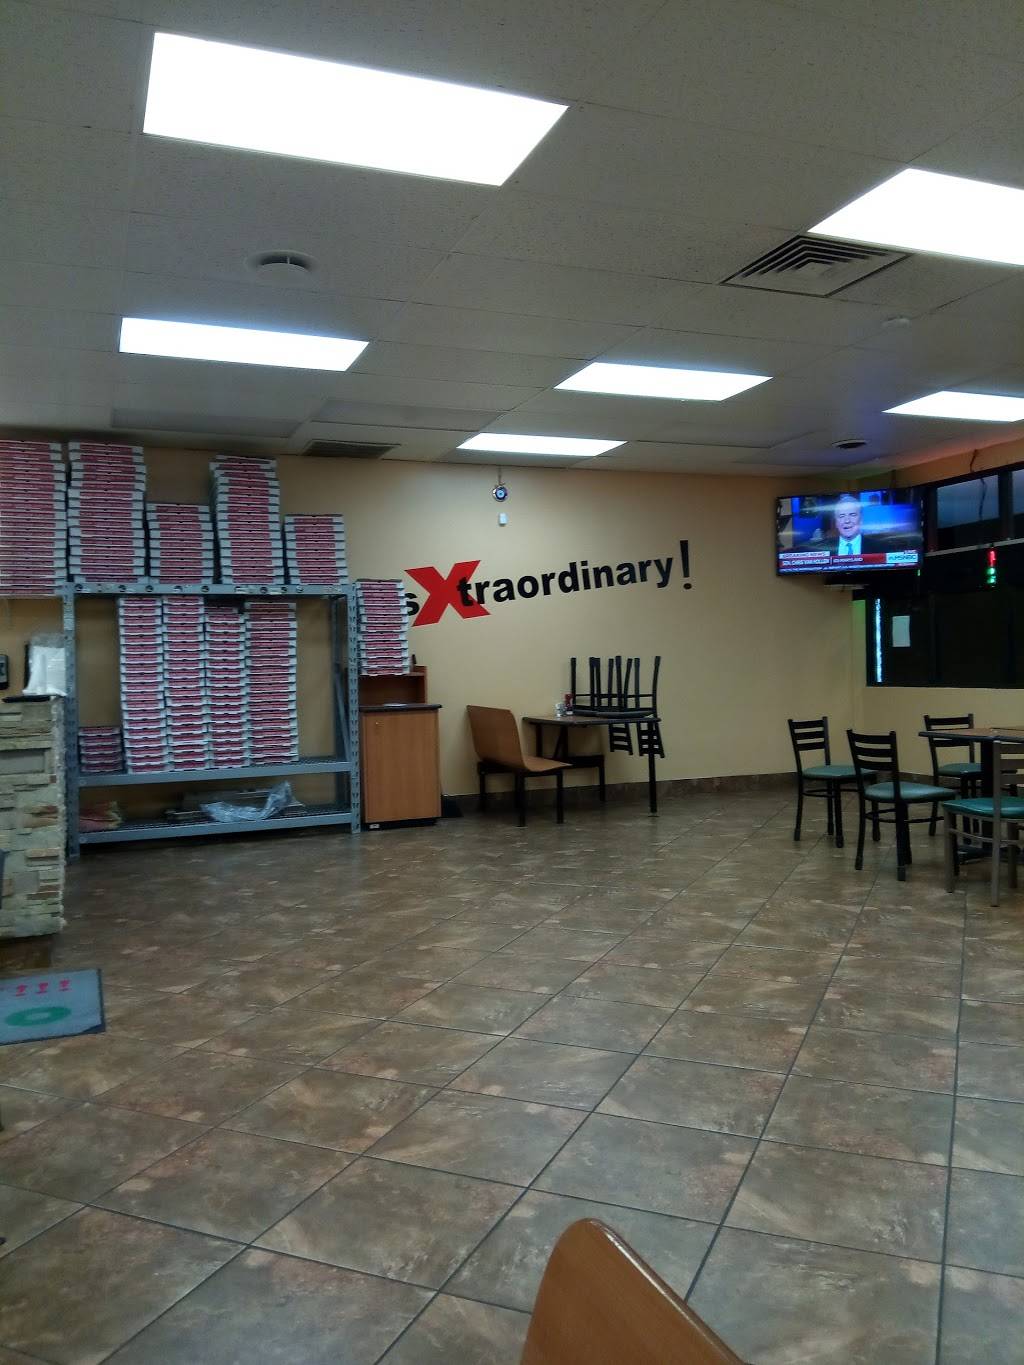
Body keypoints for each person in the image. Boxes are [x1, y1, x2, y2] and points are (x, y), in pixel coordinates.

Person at [828, 493, 884, 557]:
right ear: (836, 523)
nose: (847, 521)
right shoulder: (822, 548)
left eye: (852, 515)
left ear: (861, 520)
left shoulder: (880, 548)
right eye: (842, 516)